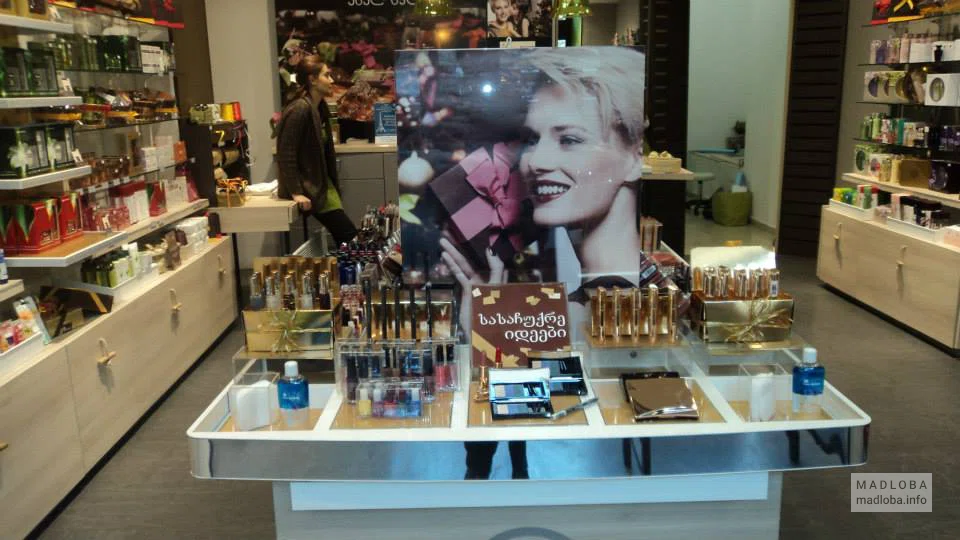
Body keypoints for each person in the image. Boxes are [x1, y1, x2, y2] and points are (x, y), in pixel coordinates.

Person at [441, 47, 647, 336]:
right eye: (533, 139)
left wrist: (489, 333)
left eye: (570, 140)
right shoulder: (593, 298)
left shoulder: (602, 313)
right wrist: (489, 322)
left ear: (636, 158)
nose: (536, 161)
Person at [276, 55, 357, 245]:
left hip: (322, 185)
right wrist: (296, 192)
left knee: (347, 238)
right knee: (349, 237)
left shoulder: (319, 107)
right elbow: (286, 153)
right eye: (326, 75)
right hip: (311, 187)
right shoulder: (300, 109)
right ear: (312, 79)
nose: (331, 80)